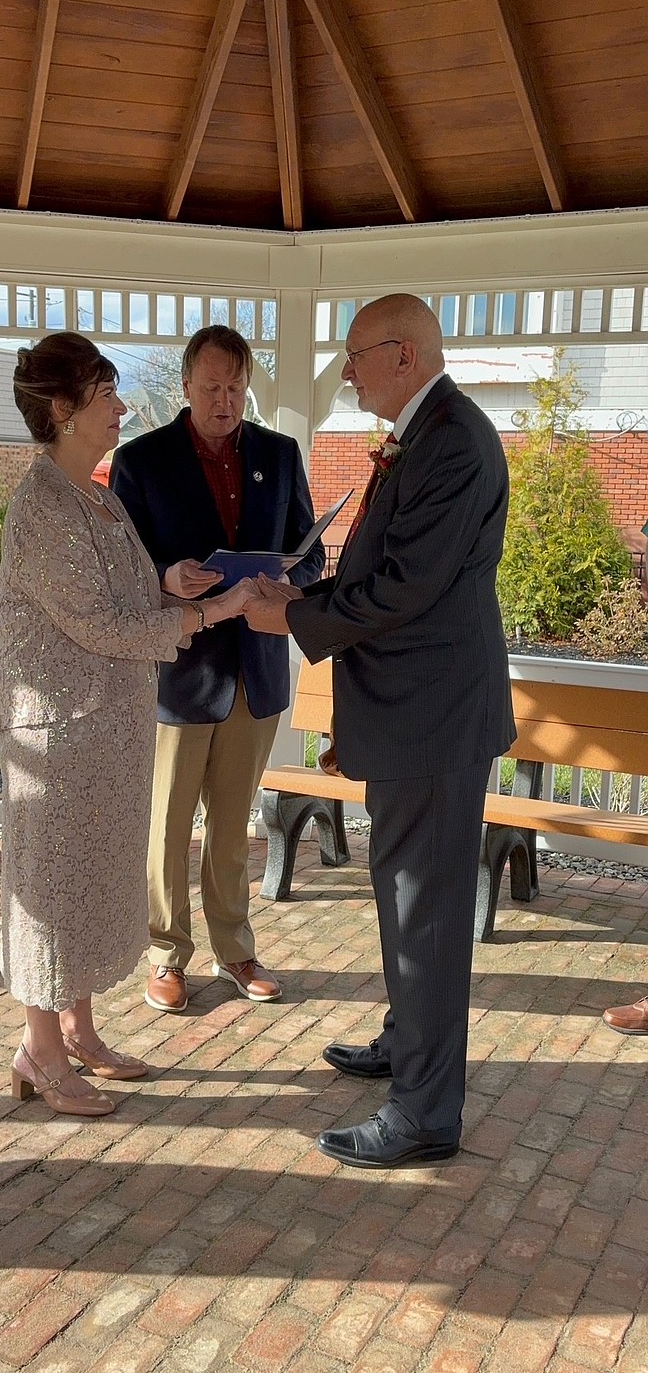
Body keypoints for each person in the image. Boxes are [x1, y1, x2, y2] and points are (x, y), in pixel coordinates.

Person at [244, 294, 515, 1168]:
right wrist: (303, 596)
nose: (347, 373)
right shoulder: (425, 432)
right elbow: (389, 570)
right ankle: (409, 1042)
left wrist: (293, 618)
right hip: (416, 713)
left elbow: (406, 587)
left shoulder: (453, 440)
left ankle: (425, 1114)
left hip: (433, 718)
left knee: (425, 912)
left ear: (404, 355)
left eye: (355, 356)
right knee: (404, 895)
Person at [0, 331, 253, 1116]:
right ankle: (39, 1051)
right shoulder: (43, 505)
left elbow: (128, 601)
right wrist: (212, 612)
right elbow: (99, 626)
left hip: (103, 734)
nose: (121, 407)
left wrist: (173, 586)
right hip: (55, 741)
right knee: (51, 891)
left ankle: (78, 1032)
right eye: (106, 394)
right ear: (63, 410)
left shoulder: (97, 496)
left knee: (88, 889)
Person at [112, 325, 324, 1014]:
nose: (225, 401)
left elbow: (311, 555)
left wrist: (288, 579)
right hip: (177, 673)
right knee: (167, 827)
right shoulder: (140, 460)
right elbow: (120, 568)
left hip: (255, 673)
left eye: (236, 387)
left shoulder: (280, 455)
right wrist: (165, 577)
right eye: (211, 388)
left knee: (233, 828)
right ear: (185, 385)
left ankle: (235, 950)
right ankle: (165, 956)